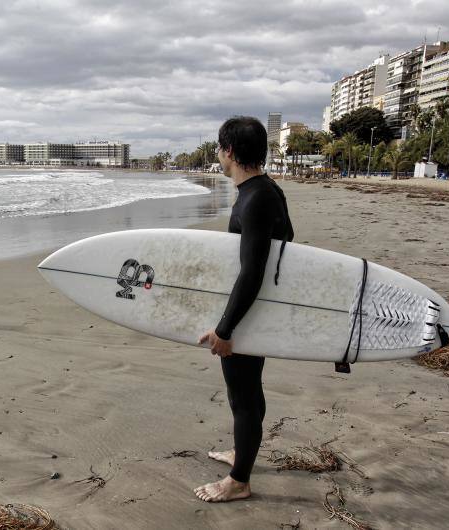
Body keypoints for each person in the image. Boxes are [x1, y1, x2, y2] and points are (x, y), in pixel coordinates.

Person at [194, 116, 294, 502]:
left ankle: (239, 480)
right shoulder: (264, 190)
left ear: (229, 151)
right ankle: (243, 451)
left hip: (249, 313)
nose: (219, 155)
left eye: (219, 148)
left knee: (244, 396)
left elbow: (252, 271)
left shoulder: (256, 198)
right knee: (248, 392)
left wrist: (226, 329)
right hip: (258, 310)